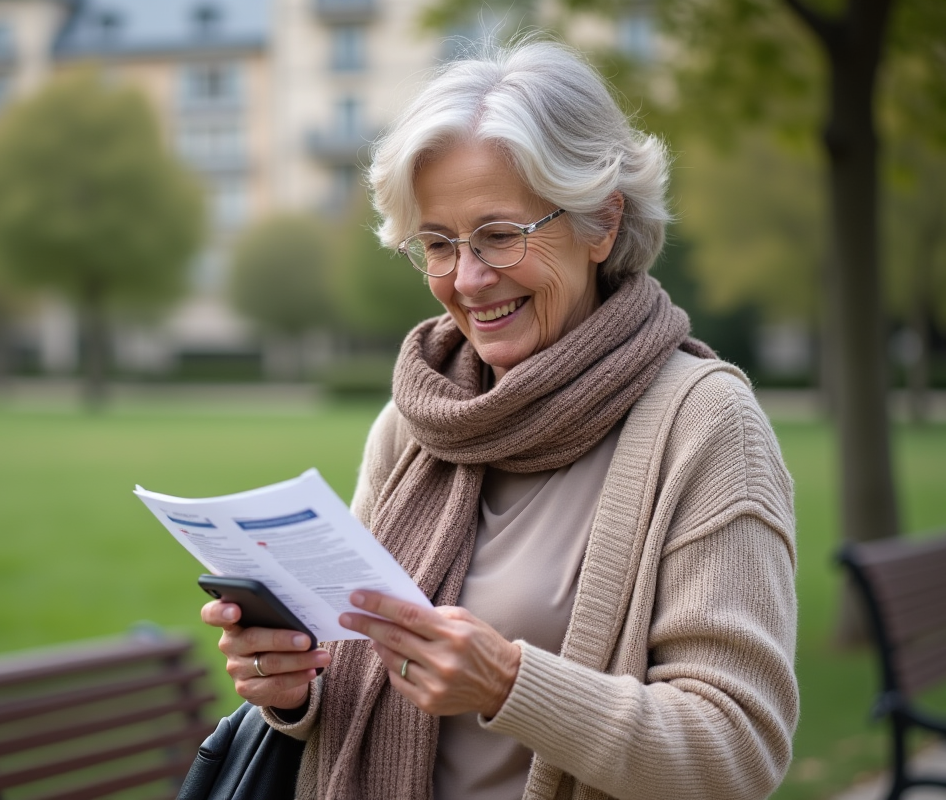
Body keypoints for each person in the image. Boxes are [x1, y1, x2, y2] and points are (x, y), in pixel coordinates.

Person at [200, 39, 798, 800]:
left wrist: (509, 684)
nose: (467, 279)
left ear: (602, 223)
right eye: (438, 244)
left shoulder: (707, 422)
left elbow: (737, 750)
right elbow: (354, 682)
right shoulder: (415, 421)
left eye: (499, 235)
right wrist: (293, 684)